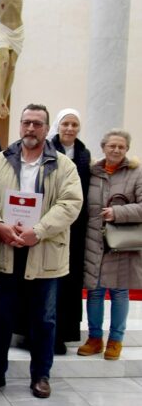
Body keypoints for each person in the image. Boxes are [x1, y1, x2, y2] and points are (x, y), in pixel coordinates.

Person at [0, 103, 82, 399]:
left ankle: (41, 376)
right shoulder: (0, 162)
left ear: (46, 129)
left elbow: (70, 204)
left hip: (43, 251)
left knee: (44, 320)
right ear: (19, 126)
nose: (31, 128)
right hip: (6, 248)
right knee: (2, 318)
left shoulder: (64, 166)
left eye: (37, 123)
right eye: (26, 123)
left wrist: (39, 231)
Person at [78, 129, 142, 361]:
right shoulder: (92, 172)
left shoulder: (136, 173)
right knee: (94, 292)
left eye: (121, 147)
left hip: (122, 242)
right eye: (112, 146)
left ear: (126, 150)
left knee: (119, 291)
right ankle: (95, 338)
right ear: (103, 147)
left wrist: (117, 212)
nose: (116, 150)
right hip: (94, 239)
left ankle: (116, 340)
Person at [47, 109, 91, 354]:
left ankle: (64, 332)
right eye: (66, 124)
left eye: (75, 124)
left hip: (76, 227)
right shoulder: (49, 150)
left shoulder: (84, 154)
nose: (70, 129)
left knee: (69, 281)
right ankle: (45, 335)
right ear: (58, 126)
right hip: (51, 223)